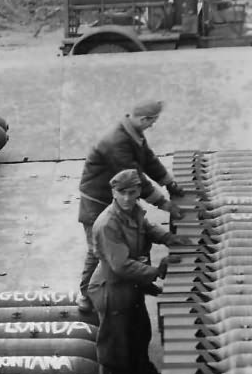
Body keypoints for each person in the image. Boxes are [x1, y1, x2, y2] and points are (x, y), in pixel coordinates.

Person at [87, 168, 189, 374]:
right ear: (113, 192)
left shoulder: (133, 211)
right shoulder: (107, 224)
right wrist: (157, 271)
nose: (126, 198)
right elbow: (121, 266)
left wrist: (168, 237)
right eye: (121, 193)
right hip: (111, 289)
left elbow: (146, 228)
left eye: (132, 192)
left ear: (138, 192)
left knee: (140, 332)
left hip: (131, 286)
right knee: (115, 345)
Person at [77, 100, 186, 314]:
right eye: (152, 121)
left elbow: (148, 159)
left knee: (134, 239)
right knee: (98, 250)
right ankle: (87, 295)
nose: (152, 125)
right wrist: (162, 202)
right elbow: (135, 177)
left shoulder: (132, 133)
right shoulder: (117, 141)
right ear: (145, 119)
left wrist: (168, 181)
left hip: (117, 197)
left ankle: (141, 281)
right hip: (97, 202)